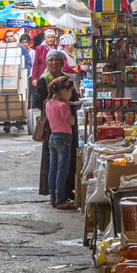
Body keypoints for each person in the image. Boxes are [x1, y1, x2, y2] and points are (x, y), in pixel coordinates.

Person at [33, 49, 79, 199]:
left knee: (65, 159)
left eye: (57, 60)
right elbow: (37, 101)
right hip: (53, 124)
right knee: (55, 162)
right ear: (47, 62)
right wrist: (57, 106)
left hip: (67, 124)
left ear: (62, 62)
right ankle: (57, 194)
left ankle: (64, 191)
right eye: (51, 60)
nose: (54, 63)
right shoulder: (44, 79)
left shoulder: (67, 78)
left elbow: (75, 96)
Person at [45, 77, 77, 210]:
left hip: (53, 137)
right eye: (69, 92)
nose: (70, 94)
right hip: (64, 138)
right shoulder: (63, 106)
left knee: (53, 169)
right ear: (64, 91)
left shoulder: (48, 104)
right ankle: (61, 200)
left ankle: (53, 198)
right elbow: (72, 122)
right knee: (62, 170)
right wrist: (69, 108)